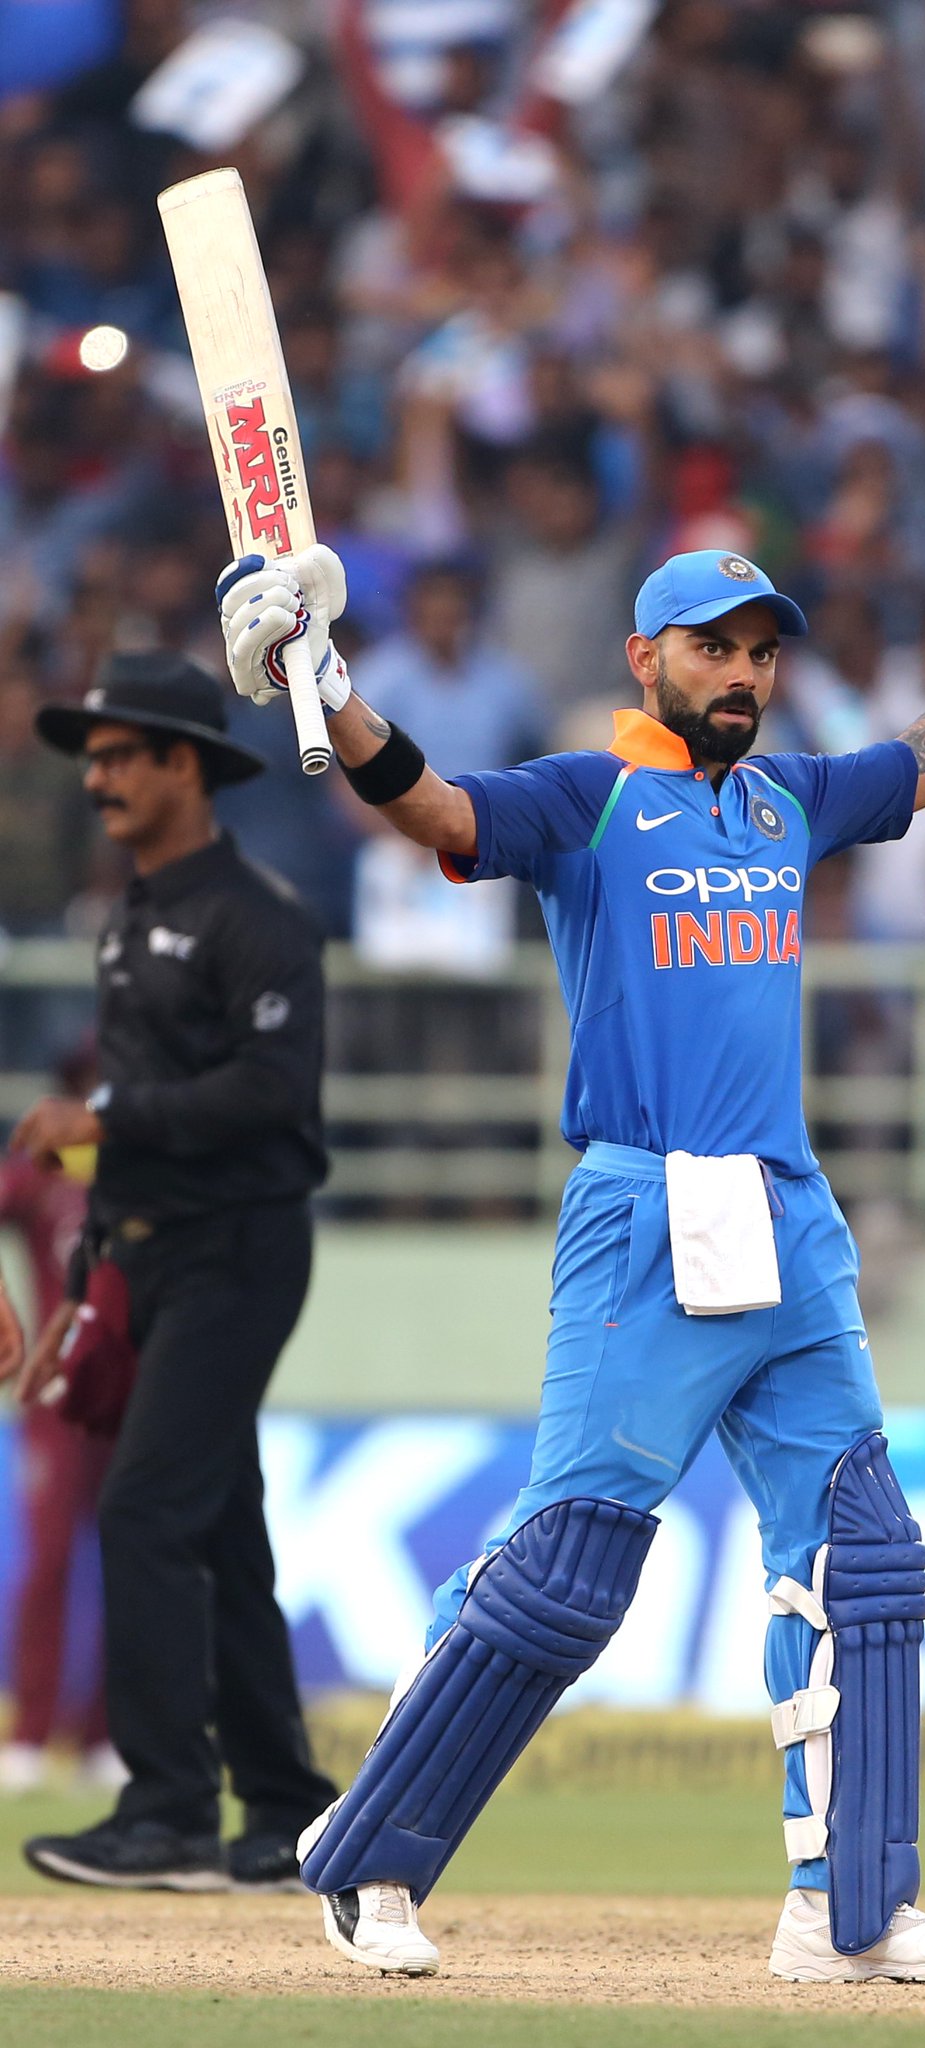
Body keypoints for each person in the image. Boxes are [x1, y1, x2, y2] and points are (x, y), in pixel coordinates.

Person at [212, 495, 925, 1980]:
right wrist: (321, 685)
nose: (742, 673)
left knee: (865, 1556)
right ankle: (368, 1855)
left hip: (787, 1212)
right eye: (713, 648)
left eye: (761, 651)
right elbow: (434, 807)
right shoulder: (587, 798)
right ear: (644, 656)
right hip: (644, 1209)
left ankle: (848, 1911)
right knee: (569, 1567)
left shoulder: (789, 800)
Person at [1, 652, 337, 1890]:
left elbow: (272, 1093)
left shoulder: (258, 917)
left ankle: (171, 1807)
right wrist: (91, 1272)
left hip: (240, 1250)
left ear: (184, 765)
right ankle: (288, 1809)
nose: (96, 780)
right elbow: (144, 1121)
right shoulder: (130, 915)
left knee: (143, 1506)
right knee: (222, 1526)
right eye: (91, 760)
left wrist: (101, 1114)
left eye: (118, 757)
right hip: (151, 1258)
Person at [0, 1044, 120, 1795]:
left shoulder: (146, 1170)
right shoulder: (45, 1172)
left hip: (129, 1399)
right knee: (48, 1562)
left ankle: (105, 1734)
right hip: (53, 1400)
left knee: (132, 1565)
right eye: (86, 1086)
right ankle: (32, 1733)